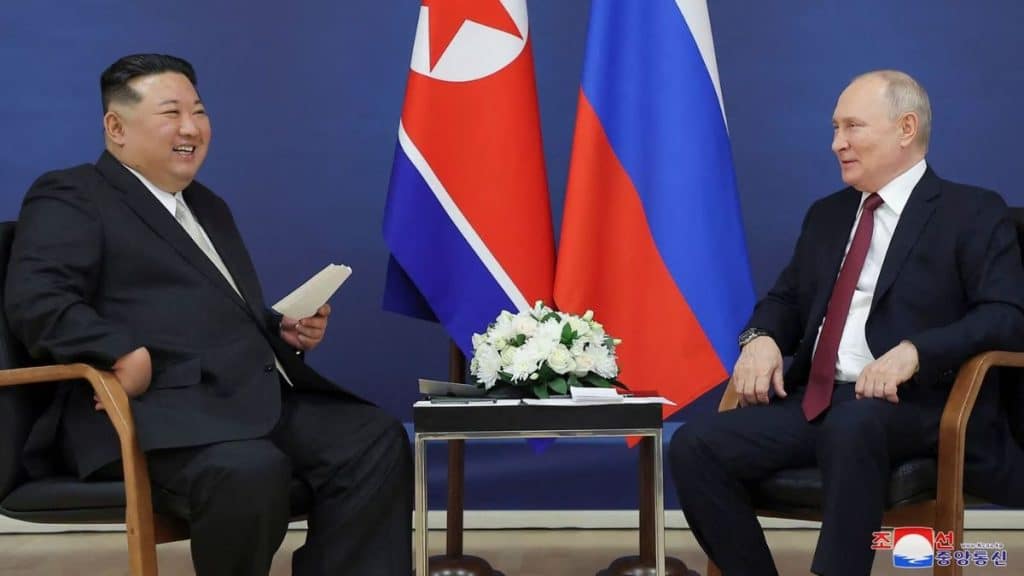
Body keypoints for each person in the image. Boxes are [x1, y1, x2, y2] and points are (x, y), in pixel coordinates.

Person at [4, 54, 411, 576]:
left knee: (374, 438)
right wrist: (118, 351)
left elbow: (202, 315)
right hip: (155, 415)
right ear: (116, 128)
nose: (191, 128)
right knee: (249, 469)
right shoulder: (72, 194)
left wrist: (279, 328)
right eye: (171, 113)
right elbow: (38, 300)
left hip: (240, 399)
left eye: (198, 111)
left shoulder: (206, 205)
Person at [669, 69, 1024, 576]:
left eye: (853, 127)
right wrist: (760, 338)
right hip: (818, 400)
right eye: (835, 128)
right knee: (695, 445)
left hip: (917, 405)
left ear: (905, 128)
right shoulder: (828, 215)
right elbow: (784, 301)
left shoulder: (972, 212)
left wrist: (917, 352)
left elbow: (1006, 317)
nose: (837, 143)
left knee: (853, 425)